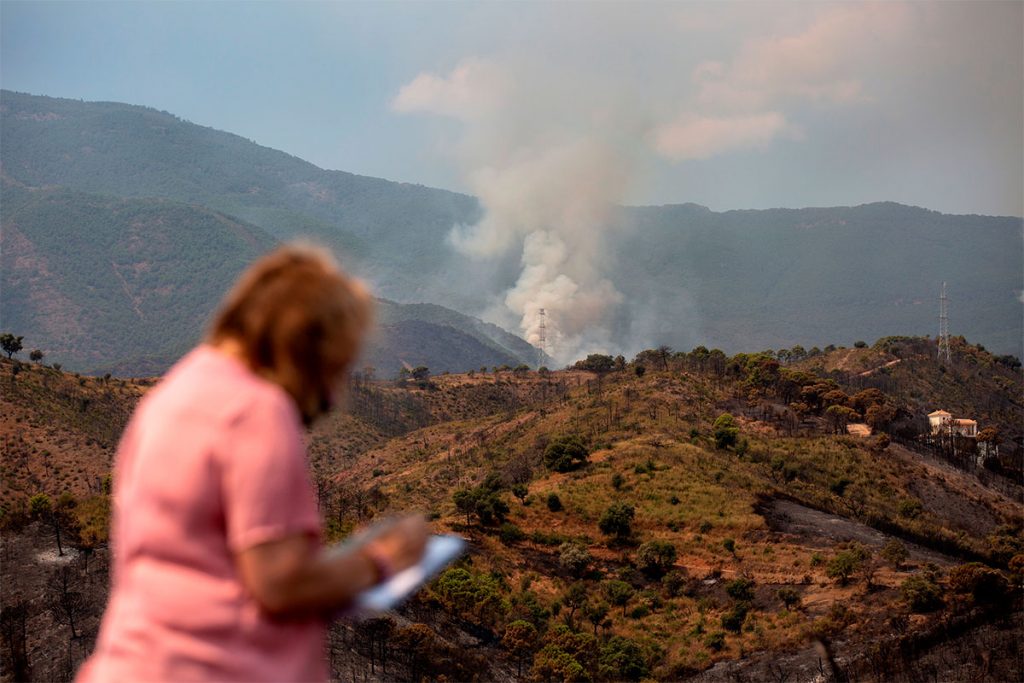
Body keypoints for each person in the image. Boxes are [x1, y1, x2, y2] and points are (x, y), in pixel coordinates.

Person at [78, 244, 427, 682]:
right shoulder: (255, 410)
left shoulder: (174, 392)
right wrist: (382, 560)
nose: (332, 395)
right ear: (304, 349)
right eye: (334, 369)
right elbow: (280, 585)